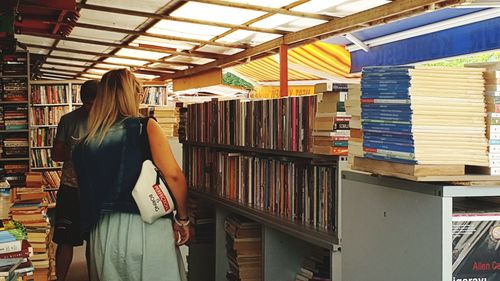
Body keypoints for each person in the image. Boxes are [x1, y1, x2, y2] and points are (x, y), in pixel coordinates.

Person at [72, 69, 189, 281]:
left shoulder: (83, 145)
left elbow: (84, 194)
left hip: (103, 232)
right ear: (131, 95)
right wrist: (183, 219)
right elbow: (173, 176)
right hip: (146, 226)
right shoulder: (144, 127)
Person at [51, 79, 99, 281]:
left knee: (96, 241)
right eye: (87, 103)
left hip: (98, 190)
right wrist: (75, 152)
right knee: (65, 240)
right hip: (71, 187)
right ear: (81, 100)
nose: (91, 108)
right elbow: (56, 154)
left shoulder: (110, 120)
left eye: (95, 103)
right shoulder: (68, 120)